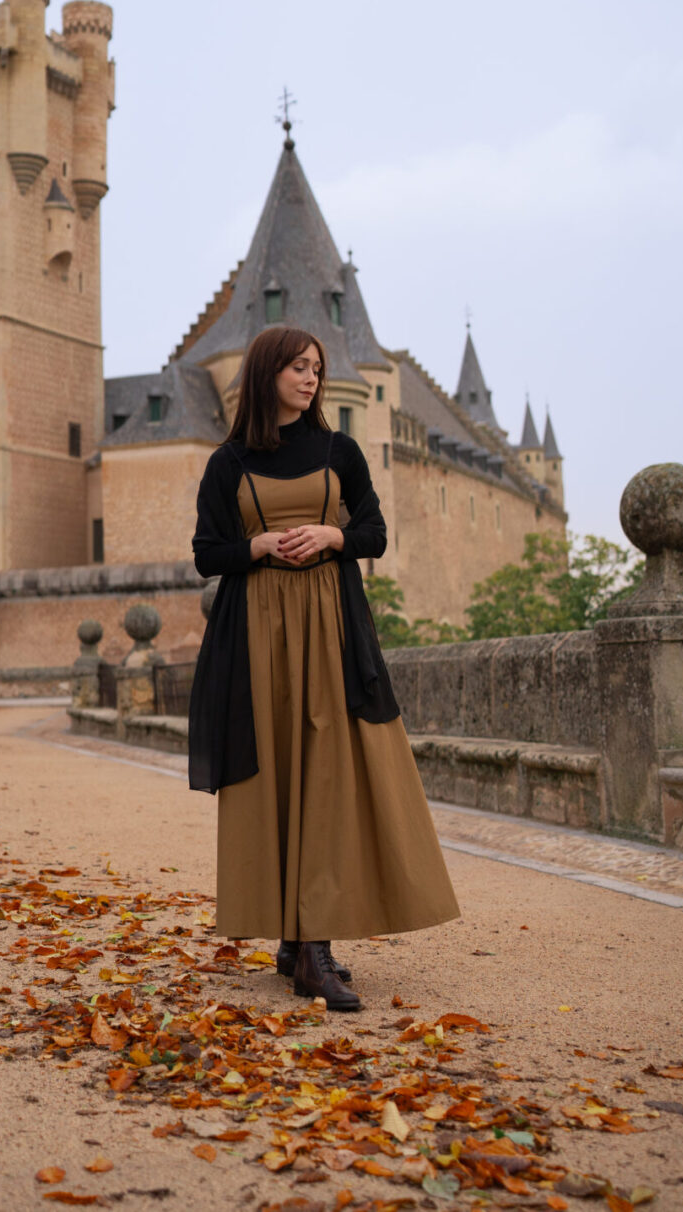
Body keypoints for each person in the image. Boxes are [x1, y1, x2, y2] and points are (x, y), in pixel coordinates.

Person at [189, 325, 459, 1011]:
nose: (310, 379)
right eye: (298, 368)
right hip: (256, 637)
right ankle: (294, 937)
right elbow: (206, 552)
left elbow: (373, 531)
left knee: (327, 773)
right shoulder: (228, 462)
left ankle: (315, 947)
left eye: (316, 368)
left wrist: (335, 535)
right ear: (267, 373)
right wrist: (258, 547)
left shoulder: (341, 450)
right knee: (275, 771)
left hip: (330, 629)